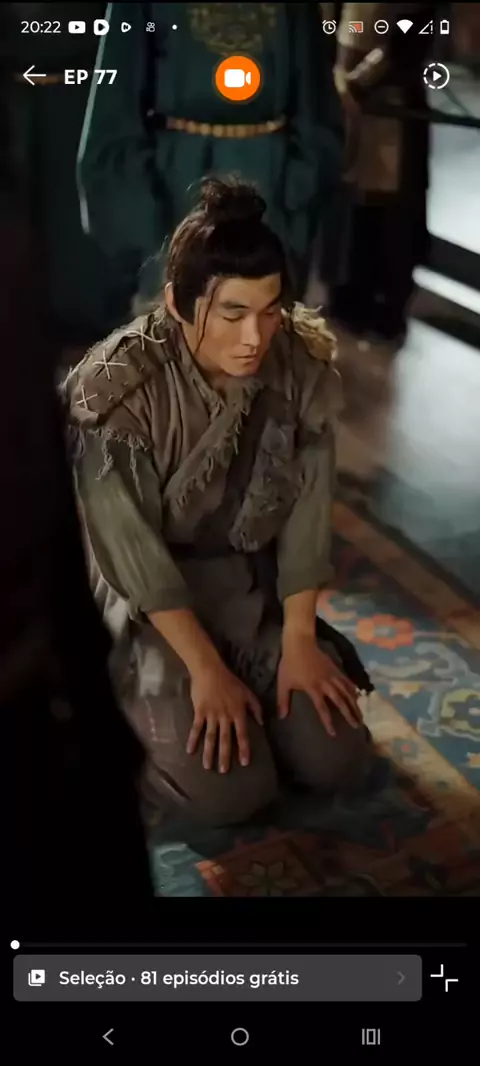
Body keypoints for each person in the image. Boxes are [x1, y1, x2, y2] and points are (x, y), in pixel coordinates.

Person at [63, 176, 374, 828]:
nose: (254, 337)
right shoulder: (118, 387)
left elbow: (308, 519)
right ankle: (131, 732)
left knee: (337, 758)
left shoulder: (299, 366)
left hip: (244, 586)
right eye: (232, 314)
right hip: (146, 607)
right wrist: (205, 670)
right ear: (178, 303)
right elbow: (131, 555)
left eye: (270, 311)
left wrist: (299, 641)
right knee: (228, 792)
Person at [77, 2, 344, 318]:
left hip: (269, 188)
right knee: (177, 329)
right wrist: (147, 230)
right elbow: (115, 113)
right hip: (176, 187)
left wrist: (294, 203)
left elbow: (317, 111)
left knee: (260, 328)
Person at [321, 2, 434, 347]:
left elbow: (407, 41)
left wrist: (355, 84)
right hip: (346, 103)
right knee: (353, 209)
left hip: (390, 106)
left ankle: (384, 302)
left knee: (390, 213)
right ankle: (349, 294)